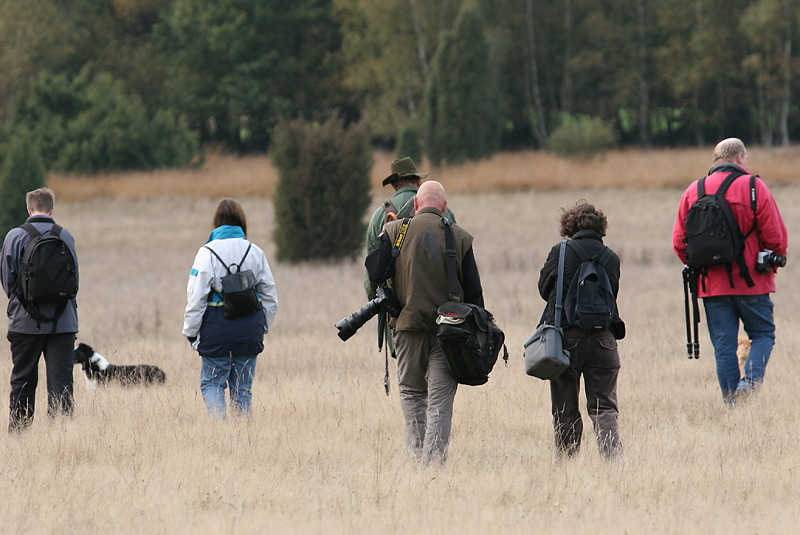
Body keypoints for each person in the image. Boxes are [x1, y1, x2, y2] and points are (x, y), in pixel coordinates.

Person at [366, 181, 483, 464]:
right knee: (439, 402)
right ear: (444, 208)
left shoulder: (395, 231)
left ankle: (417, 459)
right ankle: (434, 465)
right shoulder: (460, 237)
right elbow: (475, 295)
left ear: (416, 206)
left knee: (412, 393)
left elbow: (374, 272)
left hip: (407, 329)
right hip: (449, 333)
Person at [672, 138, 788, 403]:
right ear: (739, 157)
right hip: (752, 282)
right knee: (763, 334)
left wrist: (701, 267)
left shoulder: (694, 191)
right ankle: (749, 383)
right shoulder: (754, 187)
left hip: (712, 285)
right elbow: (776, 237)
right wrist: (771, 262)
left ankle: (731, 403)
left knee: (724, 346)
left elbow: (679, 243)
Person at [538, 201, 625, 458]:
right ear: (601, 227)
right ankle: (613, 462)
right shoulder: (611, 257)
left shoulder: (560, 252)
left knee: (565, 408)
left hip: (566, 339)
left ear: (569, 226)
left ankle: (566, 466)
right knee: (604, 407)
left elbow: (543, 289)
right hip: (604, 340)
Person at [183, 198, 278, 420]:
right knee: (242, 391)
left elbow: (196, 298)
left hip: (216, 331)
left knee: (212, 384)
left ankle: (221, 439)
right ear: (241, 222)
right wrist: (262, 327)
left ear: (216, 222)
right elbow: (271, 297)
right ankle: (243, 444)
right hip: (249, 330)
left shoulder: (206, 253)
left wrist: (190, 332)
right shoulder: (256, 252)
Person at [363, 157, 456, 365]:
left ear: (395, 184)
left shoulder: (380, 216)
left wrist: (379, 308)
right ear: (417, 181)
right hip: (442, 315)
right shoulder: (444, 210)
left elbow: (371, 277)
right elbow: (455, 262)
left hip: (401, 317)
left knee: (411, 389)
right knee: (438, 381)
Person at [1, 187, 79, 432]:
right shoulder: (65, 235)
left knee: (23, 379)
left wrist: (23, 303)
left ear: (28, 209)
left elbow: (7, 279)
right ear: (52, 209)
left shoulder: (14, 236)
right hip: (63, 322)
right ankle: (61, 435)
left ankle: (21, 434)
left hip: (25, 323)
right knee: (61, 383)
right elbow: (73, 281)